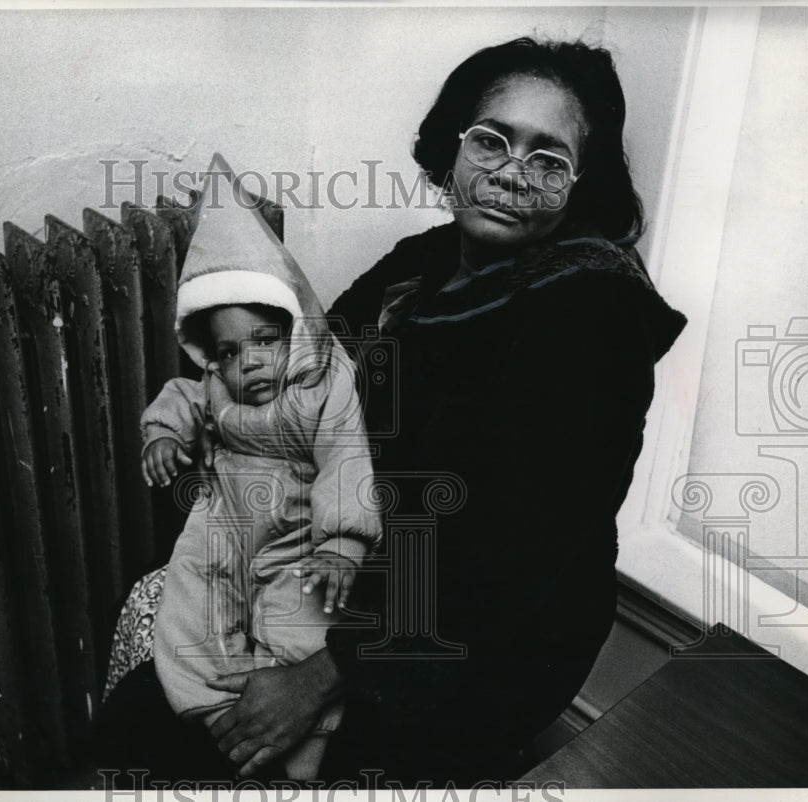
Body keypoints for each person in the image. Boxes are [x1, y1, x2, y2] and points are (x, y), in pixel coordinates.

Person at [95, 37, 687, 787]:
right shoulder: (423, 262)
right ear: (454, 149)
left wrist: (319, 675)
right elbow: (312, 377)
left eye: (547, 157)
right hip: (362, 562)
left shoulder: (589, 321)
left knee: (165, 737)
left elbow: (508, 562)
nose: (511, 173)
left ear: (579, 183)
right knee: (156, 648)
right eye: (492, 140)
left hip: (472, 638)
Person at [107, 154, 382, 781]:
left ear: (295, 330)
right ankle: (208, 707)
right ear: (211, 357)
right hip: (224, 521)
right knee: (187, 599)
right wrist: (161, 436)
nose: (249, 364)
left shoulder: (322, 384)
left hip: (296, 533)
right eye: (229, 351)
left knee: (301, 619)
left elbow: (346, 455)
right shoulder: (213, 388)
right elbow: (179, 398)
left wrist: (342, 545)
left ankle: (307, 743)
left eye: (264, 341)